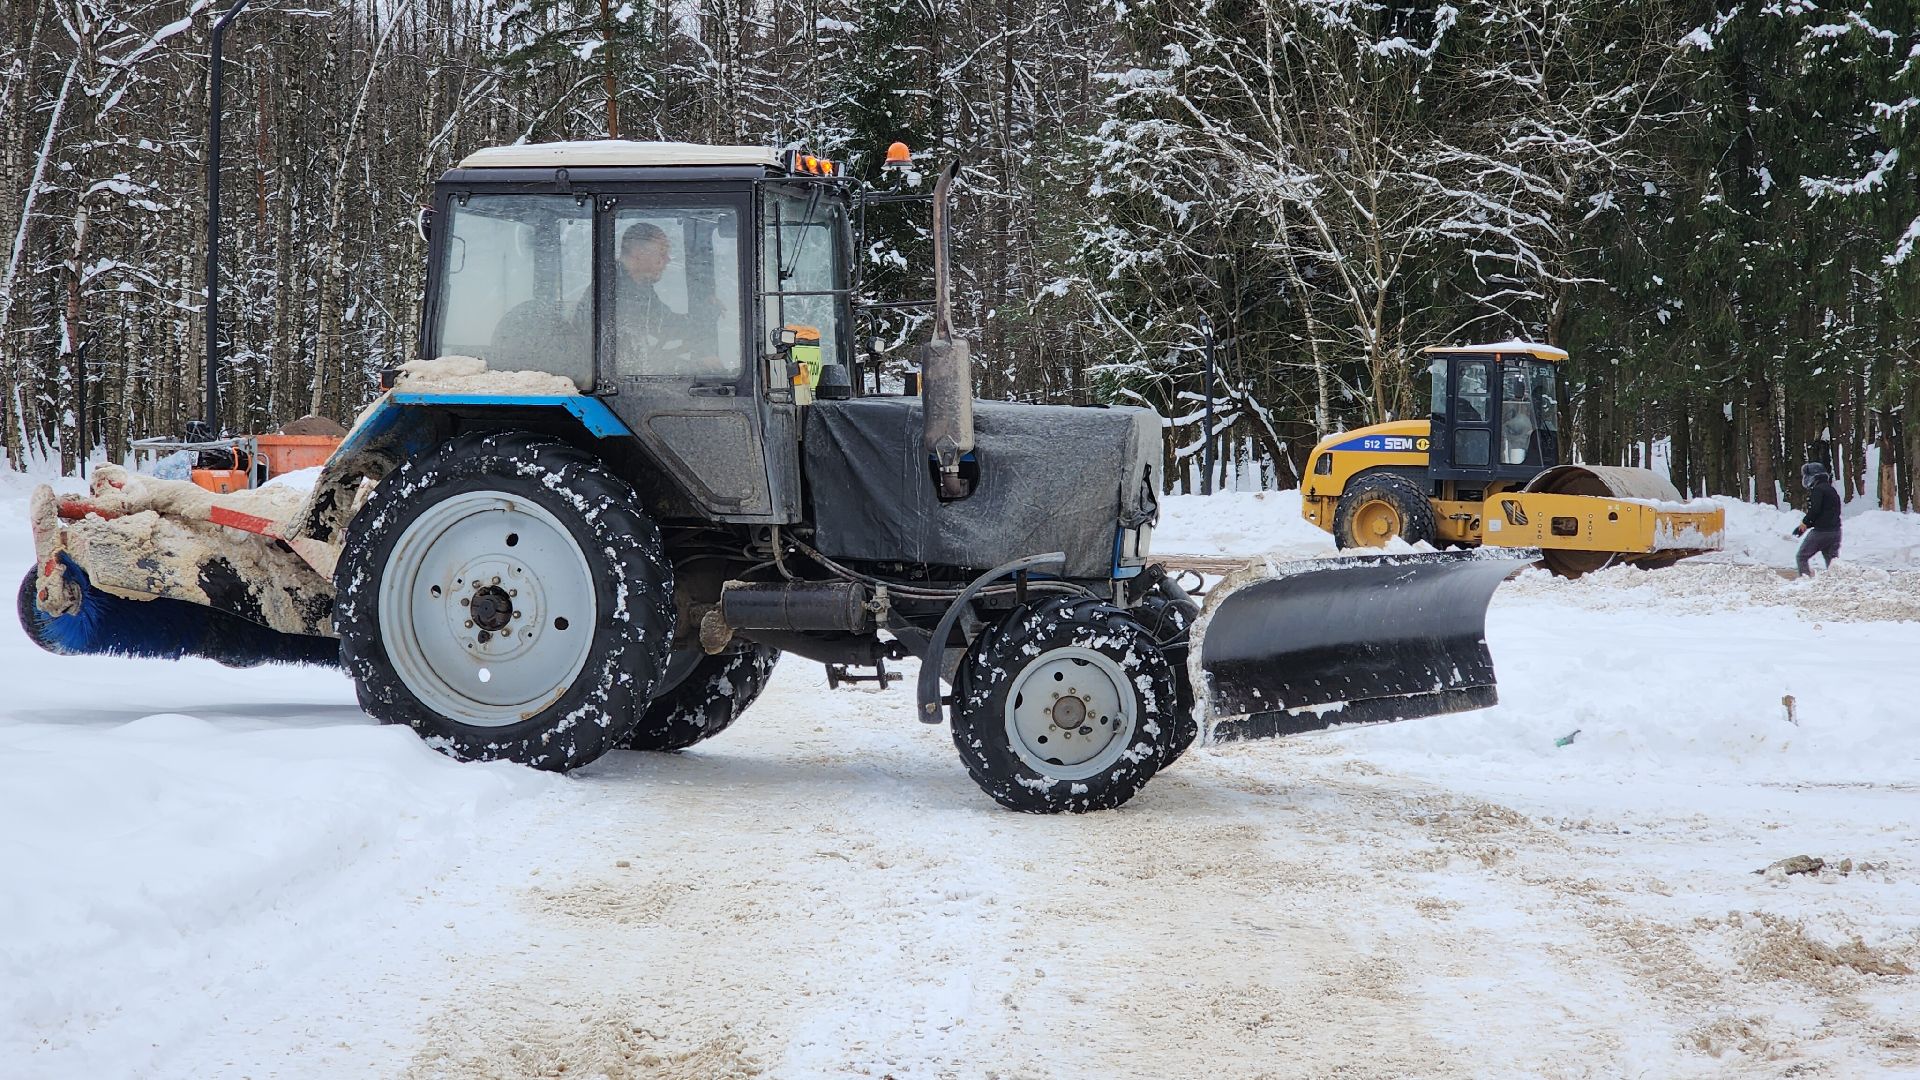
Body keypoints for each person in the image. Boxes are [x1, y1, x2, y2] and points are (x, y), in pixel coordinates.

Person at [1792, 461, 1842, 576]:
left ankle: (1805, 581)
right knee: (1832, 562)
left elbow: (1815, 510)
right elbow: (1827, 512)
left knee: (1801, 557)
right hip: (1835, 531)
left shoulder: (1818, 490)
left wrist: (1805, 523)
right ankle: (1836, 582)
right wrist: (1805, 526)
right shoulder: (1831, 489)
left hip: (1821, 532)